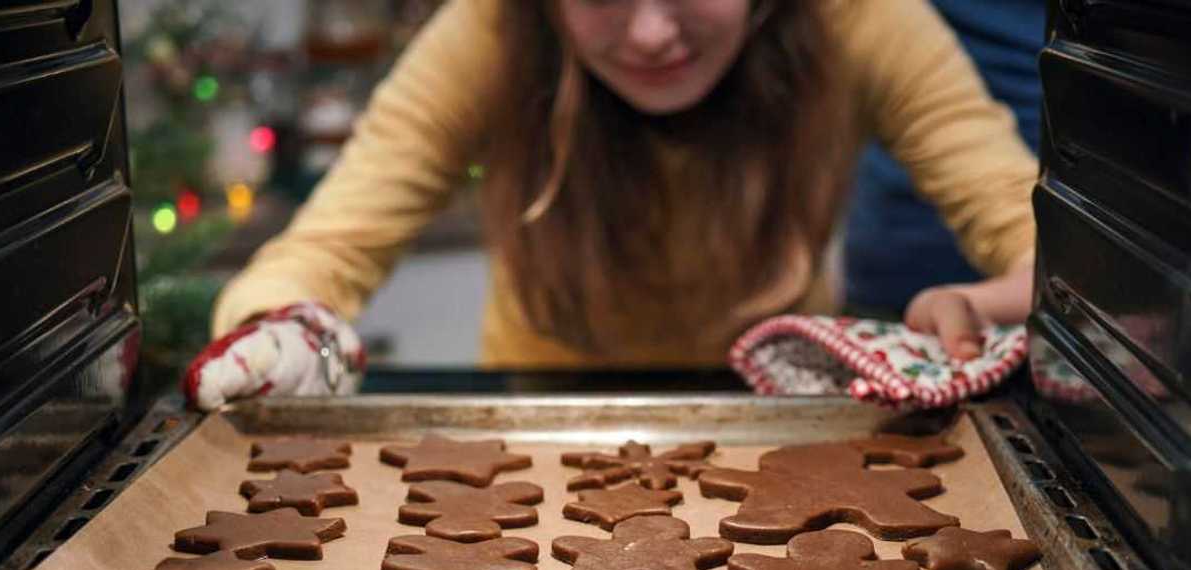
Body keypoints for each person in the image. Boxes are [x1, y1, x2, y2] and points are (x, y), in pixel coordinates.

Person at [185, 0, 1038, 409]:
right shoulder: (488, 32)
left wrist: (996, 298)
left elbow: (1032, 225)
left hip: (782, 414)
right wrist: (280, 326)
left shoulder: (862, 20)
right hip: (538, 403)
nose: (649, 35)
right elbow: (331, 243)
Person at [844, 0, 1045, 318]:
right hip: (900, 254)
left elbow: (955, 133)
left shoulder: (862, 16)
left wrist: (1042, 265)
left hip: (993, 264)